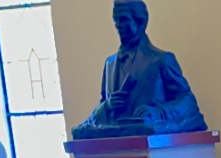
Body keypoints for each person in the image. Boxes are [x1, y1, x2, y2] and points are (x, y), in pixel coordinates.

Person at [71, 0, 207, 139]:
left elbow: (188, 102)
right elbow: (103, 103)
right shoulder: (109, 64)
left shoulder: (161, 60)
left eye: (123, 19)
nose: (118, 25)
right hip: (116, 142)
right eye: (115, 20)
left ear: (141, 22)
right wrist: (107, 106)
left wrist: (157, 112)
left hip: (151, 142)